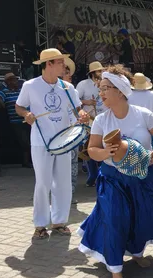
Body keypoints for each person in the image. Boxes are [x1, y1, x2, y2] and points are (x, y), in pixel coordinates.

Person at [78, 65, 153, 278]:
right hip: (112, 179)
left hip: (141, 176)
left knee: (140, 217)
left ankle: (136, 252)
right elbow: (92, 150)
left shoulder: (142, 115)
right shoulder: (101, 120)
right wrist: (106, 153)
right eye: (100, 88)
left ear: (119, 90)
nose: (101, 93)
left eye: (105, 88)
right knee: (115, 219)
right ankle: (116, 269)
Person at [15, 48, 89, 240]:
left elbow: (77, 109)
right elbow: (19, 106)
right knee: (43, 183)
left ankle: (59, 222)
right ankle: (40, 225)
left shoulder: (67, 87)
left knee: (63, 183)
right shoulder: (31, 86)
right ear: (49, 64)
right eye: (60, 62)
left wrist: (81, 115)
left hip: (63, 141)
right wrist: (26, 115)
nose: (64, 66)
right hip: (41, 141)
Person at [76, 62, 106, 187]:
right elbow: (74, 101)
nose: (101, 73)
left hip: (104, 119)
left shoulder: (105, 83)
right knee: (90, 149)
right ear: (93, 73)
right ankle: (92, 176)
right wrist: (86, 101)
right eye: (99, 71)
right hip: (90, 120)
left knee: (104, 147)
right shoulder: (83, 84)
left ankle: (102, 176)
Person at [0, 73, 31, 167]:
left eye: (15, 79)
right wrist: (1, 104)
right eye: (11, 80)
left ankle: (31, 161)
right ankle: (26, 162)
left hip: (28, 119)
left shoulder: (20, 91)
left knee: (31, 140)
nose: (15, 81)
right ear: (7, 82)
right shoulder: (4, 92)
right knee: (25, 142)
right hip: (16, 121)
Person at [61, 57, 80, 204]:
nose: (69, 74)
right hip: (59, 134)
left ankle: (71, 192)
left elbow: (77, 110)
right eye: (66, 72)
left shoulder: (72, 89)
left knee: (73, 163)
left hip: (73, 131)